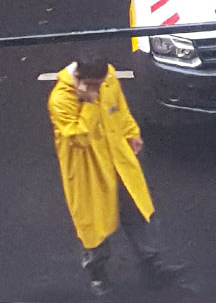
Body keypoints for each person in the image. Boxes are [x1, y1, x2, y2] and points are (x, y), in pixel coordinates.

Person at [48, 57, 186, 296]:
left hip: (119, 161)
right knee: (93, 224)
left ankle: (153, 265)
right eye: (94, 84)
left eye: (101, 83)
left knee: (138, 211)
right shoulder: (60, 99)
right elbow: (78, 138)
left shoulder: (108, 77)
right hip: (89, 171)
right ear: (80, 79)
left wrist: (132, 133)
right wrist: (89, 104)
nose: (100, 87)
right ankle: (97, 274)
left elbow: (119, 109)